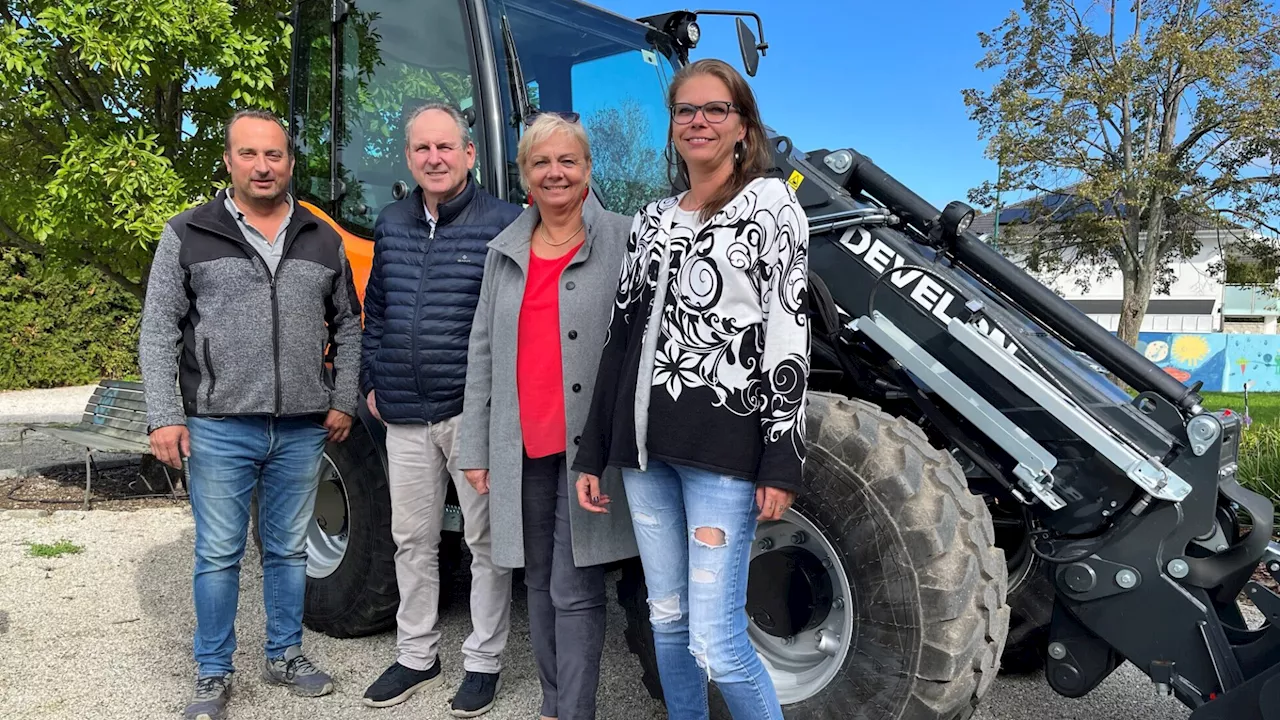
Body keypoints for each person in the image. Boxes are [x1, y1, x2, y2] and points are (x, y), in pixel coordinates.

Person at [572, 58, 810, 720]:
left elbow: (788, 332)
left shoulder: (771, 205)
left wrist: (780, 456)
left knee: (718, 639)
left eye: (716, 110)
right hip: (647, 457)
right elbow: (620, 340)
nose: (699, 121)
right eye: (686, 110)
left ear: (743, 127)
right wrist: (593, 453)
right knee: (667, 619)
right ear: (672, 124)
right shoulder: (650, 219)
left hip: (723, 456)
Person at [138, 108, 363, 720]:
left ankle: (285, 654)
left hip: (299, 427)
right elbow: (158, 329)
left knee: (288, 550)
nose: (263, 166)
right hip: (217, 424)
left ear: (290, 162)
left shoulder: (322, 237)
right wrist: (164, 414)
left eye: (275, 155)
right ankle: (213, 672)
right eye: (249, 154)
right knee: (218, 552)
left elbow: (347, 323)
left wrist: (342, 399)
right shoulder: (187, 233)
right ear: (229, 161)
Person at [457, 112, 639, 720]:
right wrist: (476, 449)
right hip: (520, 442)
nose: (555, 173)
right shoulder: (503, 249)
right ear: (524, 176)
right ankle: (552, 704)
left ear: (588, 171)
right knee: (534, 579)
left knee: (573, 583)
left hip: (587, 448)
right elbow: (482, 349)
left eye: (568, 161)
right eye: (541, 163)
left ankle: (576, 711)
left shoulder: (626, 239)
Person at [359, 101, 521, 717]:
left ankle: (483, 662)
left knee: (484, 541)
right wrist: (373, 376)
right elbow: (376, 307)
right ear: (409, 157)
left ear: (469, 153)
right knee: (412, 539)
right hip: (402, 411)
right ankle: (415, 654)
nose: (435, 158)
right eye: (422, 148)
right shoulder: (392, 222)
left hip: (467, 414)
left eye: (446, 147)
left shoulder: (504, 224)